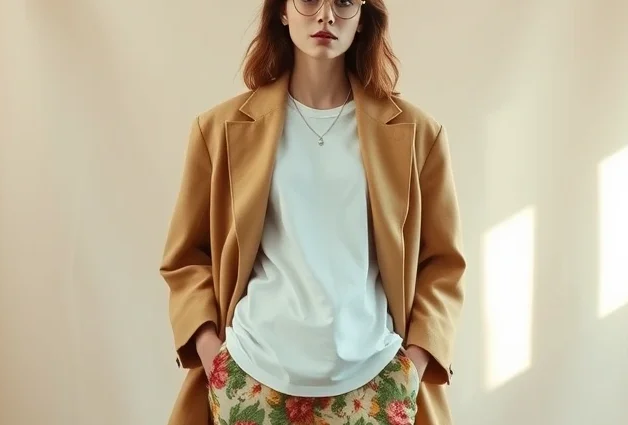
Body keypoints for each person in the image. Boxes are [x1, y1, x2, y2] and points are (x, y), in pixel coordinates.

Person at [160, 0, 466, 423]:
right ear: (282, 11)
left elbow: (443, 263)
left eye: (343, 2)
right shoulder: (217, 130)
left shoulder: (418, 135)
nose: (325, 15)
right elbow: (186, 257)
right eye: (307, 0)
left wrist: (411, 366)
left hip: (375, 382)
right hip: (251, 378)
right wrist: (214, 357)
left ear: (362, 18)